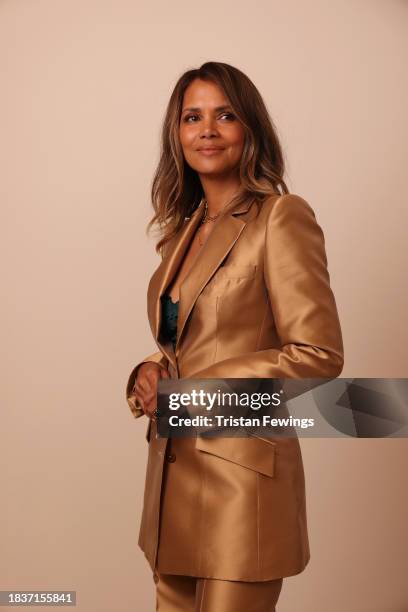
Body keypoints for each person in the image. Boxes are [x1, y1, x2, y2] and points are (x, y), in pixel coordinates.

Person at [125, 61, 344, 612]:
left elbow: (317, 356)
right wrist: (149, 374)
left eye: (225, 115)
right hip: (171, 490)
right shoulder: (184, 232)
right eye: (192, 117)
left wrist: (191, 394)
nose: (207, 129)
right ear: (176, 135)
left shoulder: (280, 218)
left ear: (249, 128)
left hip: (240, 491)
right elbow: (189, 342)